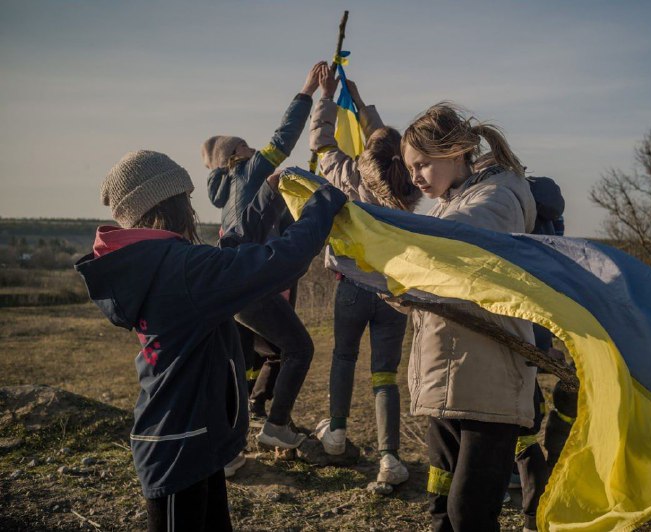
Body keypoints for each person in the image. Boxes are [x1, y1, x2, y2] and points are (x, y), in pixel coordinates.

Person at [75, 150, 347, 531]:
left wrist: (267, 197)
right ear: (169, 204)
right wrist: (323, 203)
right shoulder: (180, 269)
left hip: (193, 439)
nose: (192, 207)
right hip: (176, 448)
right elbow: (278, 261)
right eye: (185, 198)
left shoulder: (160, 264)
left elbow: (227, 254)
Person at [401, 103, 538, 531]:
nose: (416, 177)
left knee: (470, 514)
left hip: (488, 383)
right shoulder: (449, 203)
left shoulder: (498, 198)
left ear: (455, 151)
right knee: (442, 509)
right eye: (410, 169)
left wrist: (384, 238)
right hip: (448, 377)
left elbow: (456, 243)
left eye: (422, 164)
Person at [202, 62, 327, 450]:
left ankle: (238, 426)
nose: (258, 148)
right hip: (252, 278)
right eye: (249, 145)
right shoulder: (249, 169)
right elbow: (285, 135)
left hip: (233, 283)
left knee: (258, 355)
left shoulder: (229, 196)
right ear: (238, 151)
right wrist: (307, 90)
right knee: (298, 348)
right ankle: (276, 426)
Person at [309, 65, 421, 487]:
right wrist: (361, 105)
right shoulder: (409, 189)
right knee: (384, 375)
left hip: (351, 289)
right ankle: (389, 457)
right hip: (393, 295)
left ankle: (336, 434)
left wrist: (329, 98)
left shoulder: (349, 175)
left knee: (343, 357)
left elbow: (321, 141)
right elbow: (384, 144)